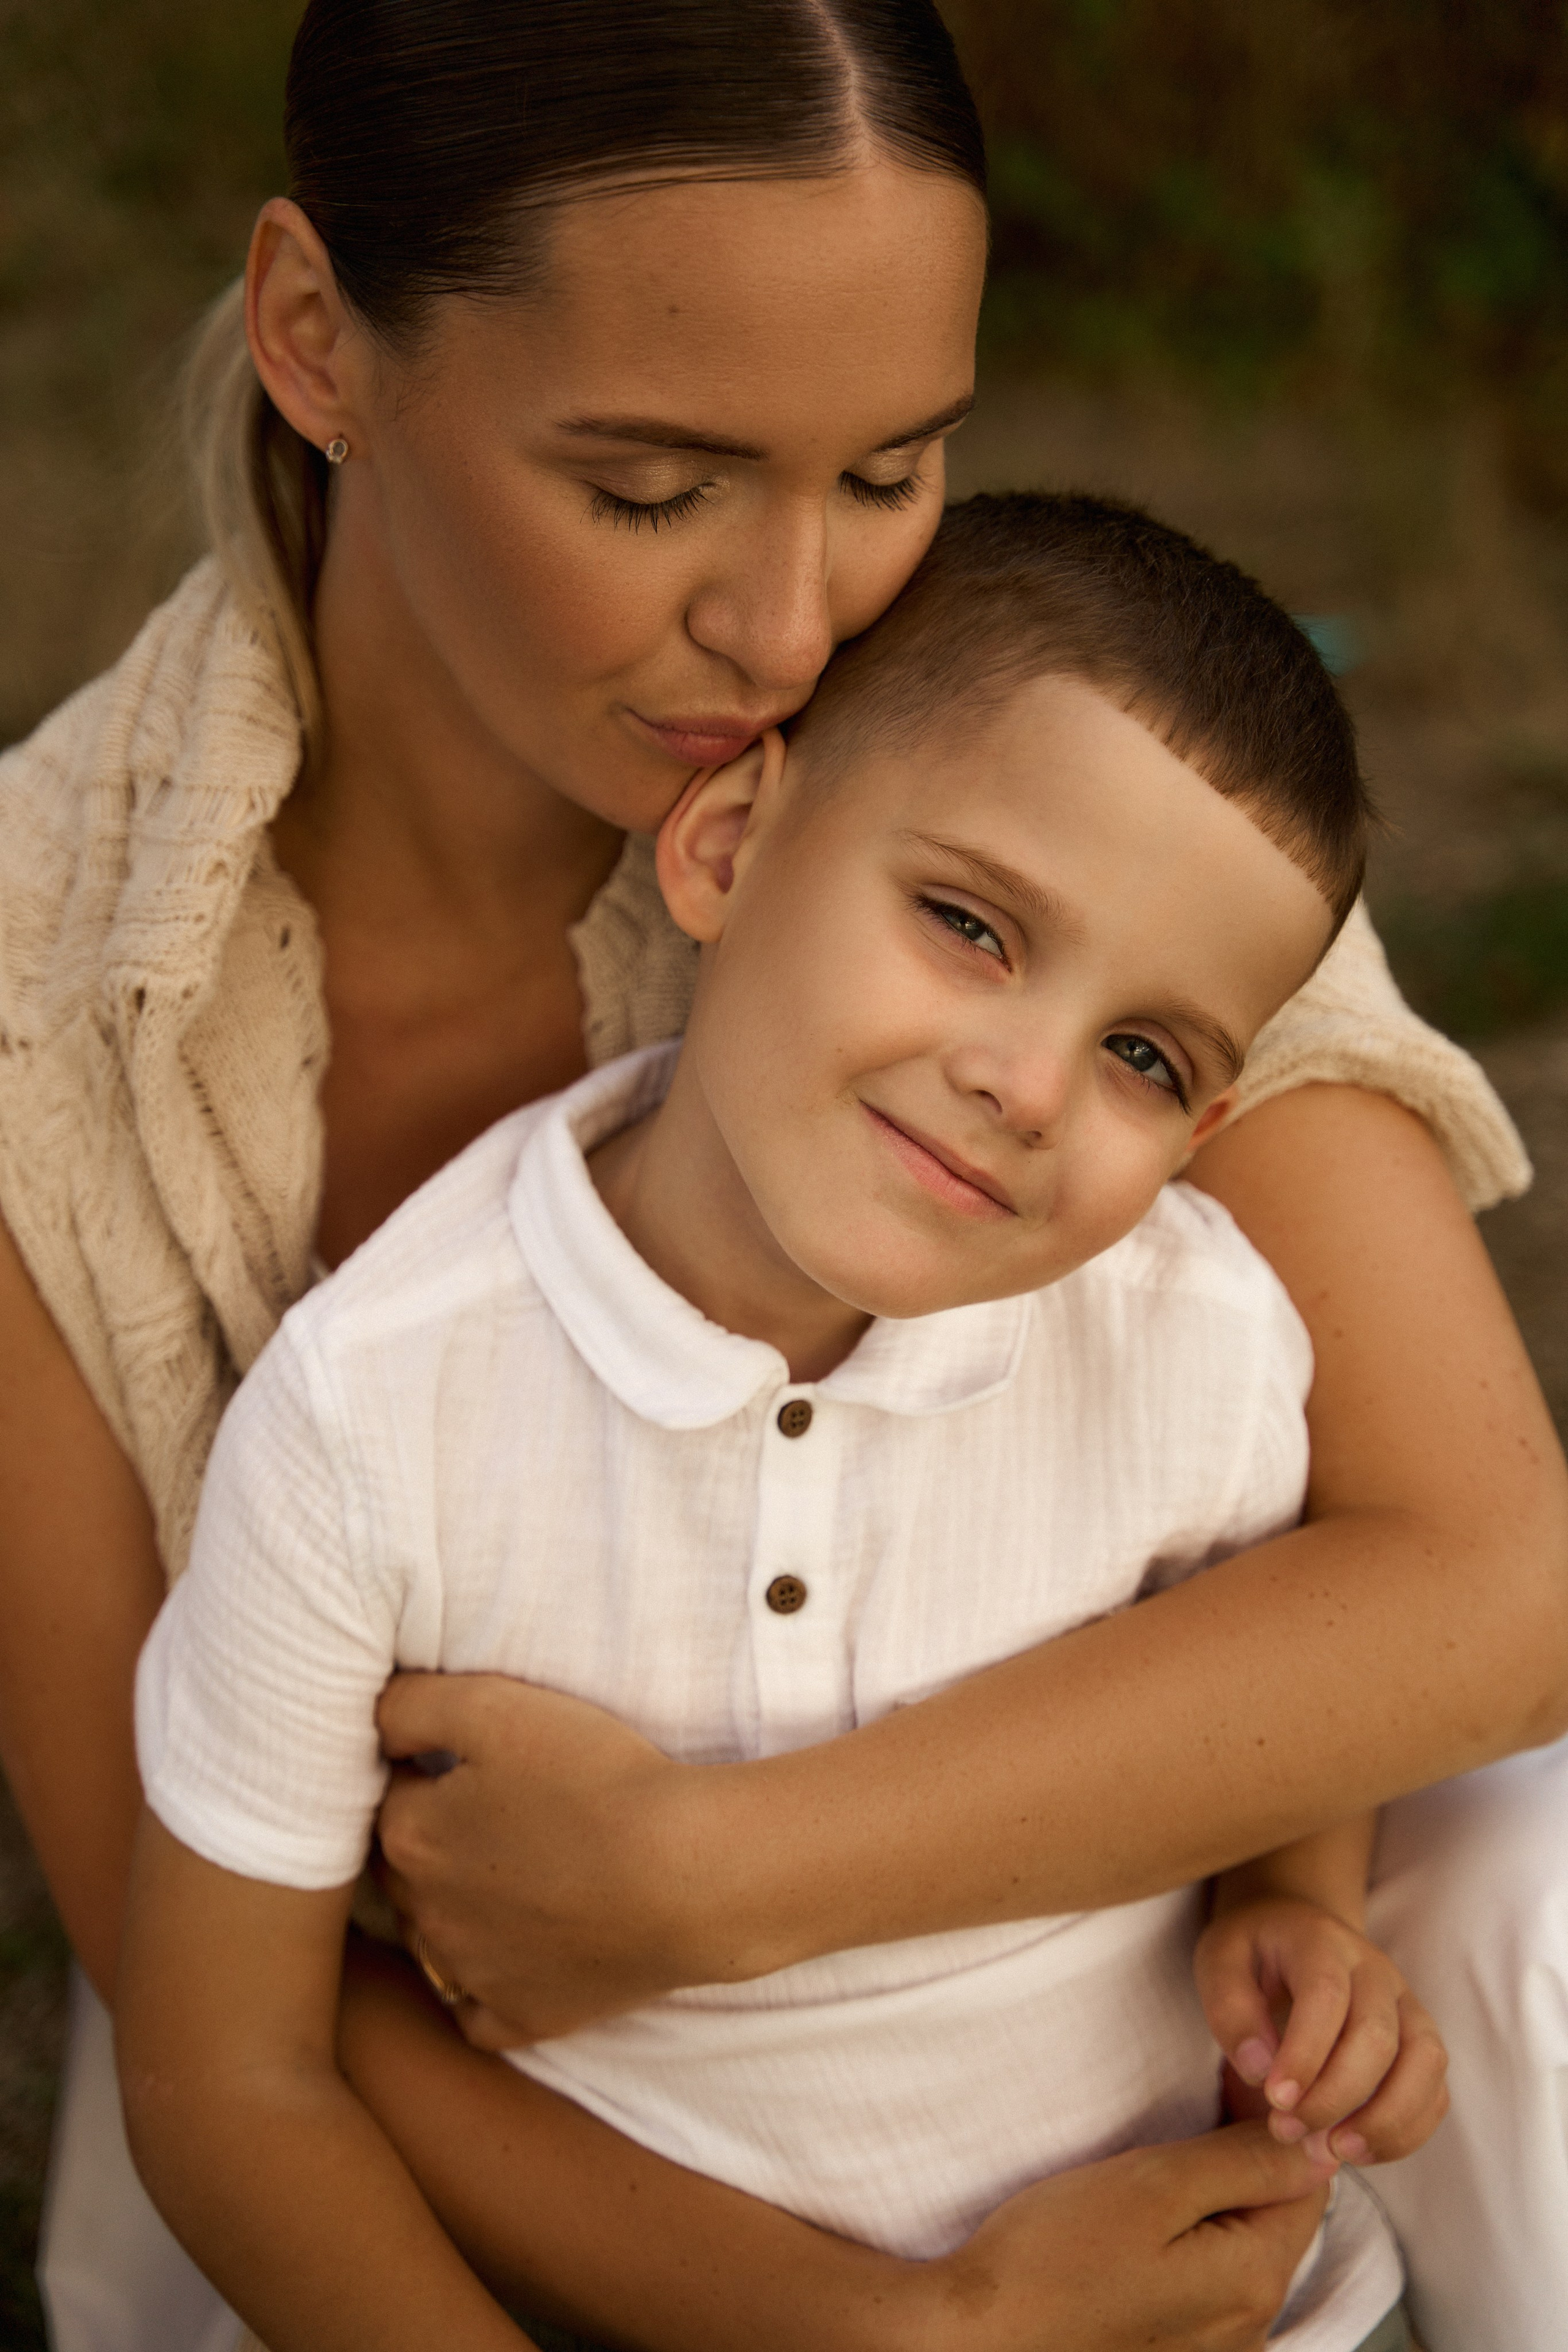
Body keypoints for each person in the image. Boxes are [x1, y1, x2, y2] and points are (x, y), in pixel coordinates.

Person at [0, 5, 1559, 2350]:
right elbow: (190, 1947)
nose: (797, 624)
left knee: (1532, 1896)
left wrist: (719, 1879)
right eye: (650, 491)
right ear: (321, 339)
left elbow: (1487, 1582)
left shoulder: (1047, 750)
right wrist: (878, 2333)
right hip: (479, 2093)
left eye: (894, 467)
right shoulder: (43, 990)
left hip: (1074, 1989)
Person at [119, 492, 1447, 2352]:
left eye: (1149, 1057)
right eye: (972, 925)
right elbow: (229, 2078)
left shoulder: (1196, 1337)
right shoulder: (377, 1410)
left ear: (1207, 1134)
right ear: (733, 843)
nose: (1027, 1080)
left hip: (1223, 2310)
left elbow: (1296, 1698)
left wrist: (1295, 1907)